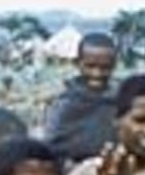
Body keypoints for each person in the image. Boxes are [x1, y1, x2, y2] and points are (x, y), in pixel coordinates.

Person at [40, 32, 117, 166]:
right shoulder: (65, 104)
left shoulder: (120, 100)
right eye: (90, 66)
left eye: (105, 68)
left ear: (114, 65)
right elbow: (51, 146)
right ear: (78, 63)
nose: (97, 74)